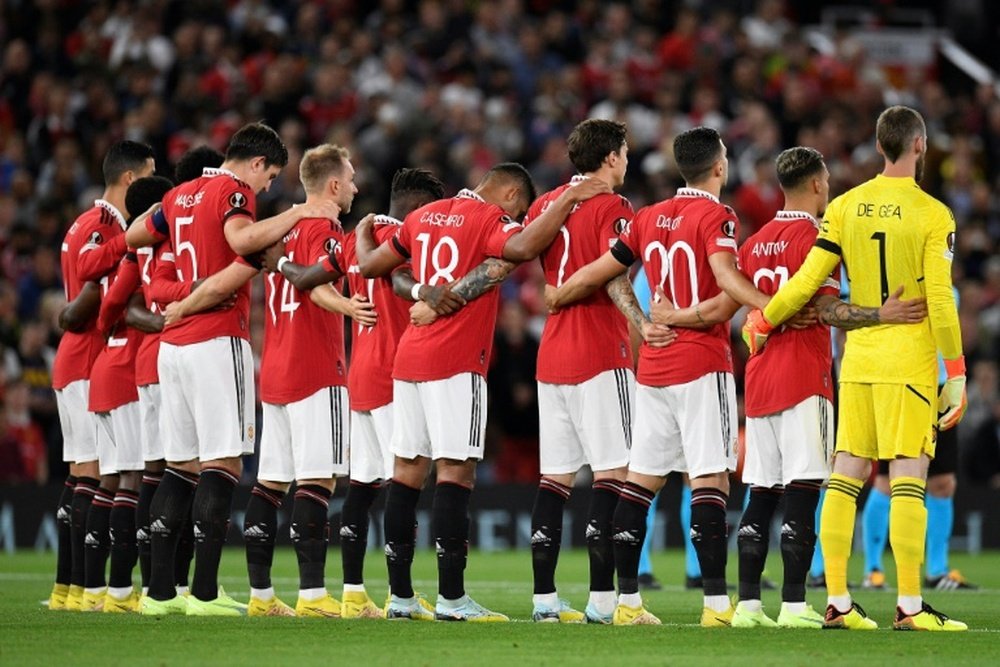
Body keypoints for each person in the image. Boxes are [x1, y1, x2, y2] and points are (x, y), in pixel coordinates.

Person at [743, 105, 969, 631]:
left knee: (846, 476)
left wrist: (762, 320)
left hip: (857, 362)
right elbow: (939, 296)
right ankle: (911, 607)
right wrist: (954, 371)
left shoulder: (845, 207)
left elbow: (803, 282)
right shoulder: (934, 214)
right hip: (909, 364)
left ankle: (839, 601)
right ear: (918, 146)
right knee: (909, 474)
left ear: (879, 145)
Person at [356, 162, 609, 621]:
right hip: (455, 363)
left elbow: (372, 265)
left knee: (406, 473)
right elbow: (526, 245)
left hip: (407, 361)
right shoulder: (489, 220)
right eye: (520, 208)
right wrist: (569, 199)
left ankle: (400, 598)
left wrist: (363, 234)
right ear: (510, 194)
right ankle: (453, 600)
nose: (519, 217)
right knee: (456, 475)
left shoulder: (423, 217)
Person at [547, 126, 770, 626]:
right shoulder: (718, 216)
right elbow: (727, 284)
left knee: (639, 483)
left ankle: (626, 603)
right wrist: (770, 304)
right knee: (710, 478)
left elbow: (604, 270)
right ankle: (716, 605)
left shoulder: (647, 217)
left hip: (652, 370)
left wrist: (561, 293)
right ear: (718, 167)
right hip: (698, 363)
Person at [126, 122, 336, 616]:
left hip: (172, 348)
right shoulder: (234, 190)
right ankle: (203, 593)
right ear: (258, 163)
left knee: (180, 467)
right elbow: (242, 239)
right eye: (270, 178)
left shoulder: (179, 195)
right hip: (217, 337)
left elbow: (136, 233)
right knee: (223, 464)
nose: (266, 188)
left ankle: (159, 594)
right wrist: (301, 211)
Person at [523, 119, 671, 625]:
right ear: (610, 158)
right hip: (598, 354)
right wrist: (643, 323)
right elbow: (613, 275)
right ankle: (605, 602)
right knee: (611, 475)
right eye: (625, 153)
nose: (627, 162)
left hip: (552, 355)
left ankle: (544, 601)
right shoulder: (613, 206)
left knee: (554, 480)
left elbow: (523, 255)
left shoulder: (544, 204)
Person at [49, 140, 155, 611]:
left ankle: (69, 590)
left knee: (80, 479)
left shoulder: (81, 223)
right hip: (91, 357)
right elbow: (92, 279)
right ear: (131, 179)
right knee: (98, 478)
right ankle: (92, 591)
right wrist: (131, 239)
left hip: (79, 360)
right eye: (149, 174)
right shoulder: (103, 225)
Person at [132, 148, 225, 600]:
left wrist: (183, 296)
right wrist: (204, 290)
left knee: (170, 469)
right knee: (213, 463)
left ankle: (159, 588)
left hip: (162, 352)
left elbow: (151, 286)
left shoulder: (165, 228)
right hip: (196, 342)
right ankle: (197, 590)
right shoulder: (218, 211)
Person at [82, 175, 175, 613]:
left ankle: (97, 588)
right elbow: (111, 308)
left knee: (112, 480)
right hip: (127, 373)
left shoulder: (131, 250)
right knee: (135, 480)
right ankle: (121, 589)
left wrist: (119, 323)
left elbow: (108, 310)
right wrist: (153, 322)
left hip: (109, 370)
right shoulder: (146, 248)